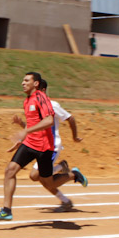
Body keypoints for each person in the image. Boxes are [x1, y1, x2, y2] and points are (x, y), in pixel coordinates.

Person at [0, 72, 59, 222]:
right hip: (29, 143)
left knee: (49, 183)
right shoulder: (27, 101)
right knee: (10, 170)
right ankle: (6, 210)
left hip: (44, 147)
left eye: (27, 80)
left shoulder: (41, 97)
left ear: (36, 84)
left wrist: (26, 131)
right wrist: (22, 139)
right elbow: (32, 124)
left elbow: (49, 121)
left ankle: (71, 174)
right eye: (23, 80)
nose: (23, 83)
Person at [22, 79, 88, 209]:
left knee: (43, 179)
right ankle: (65, 197)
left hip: (51, 146)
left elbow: (70, 118)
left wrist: (74, 136)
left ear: (43, 90)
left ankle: (73, 176)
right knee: (35, 176)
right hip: (40, 145)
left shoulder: (52, 105)